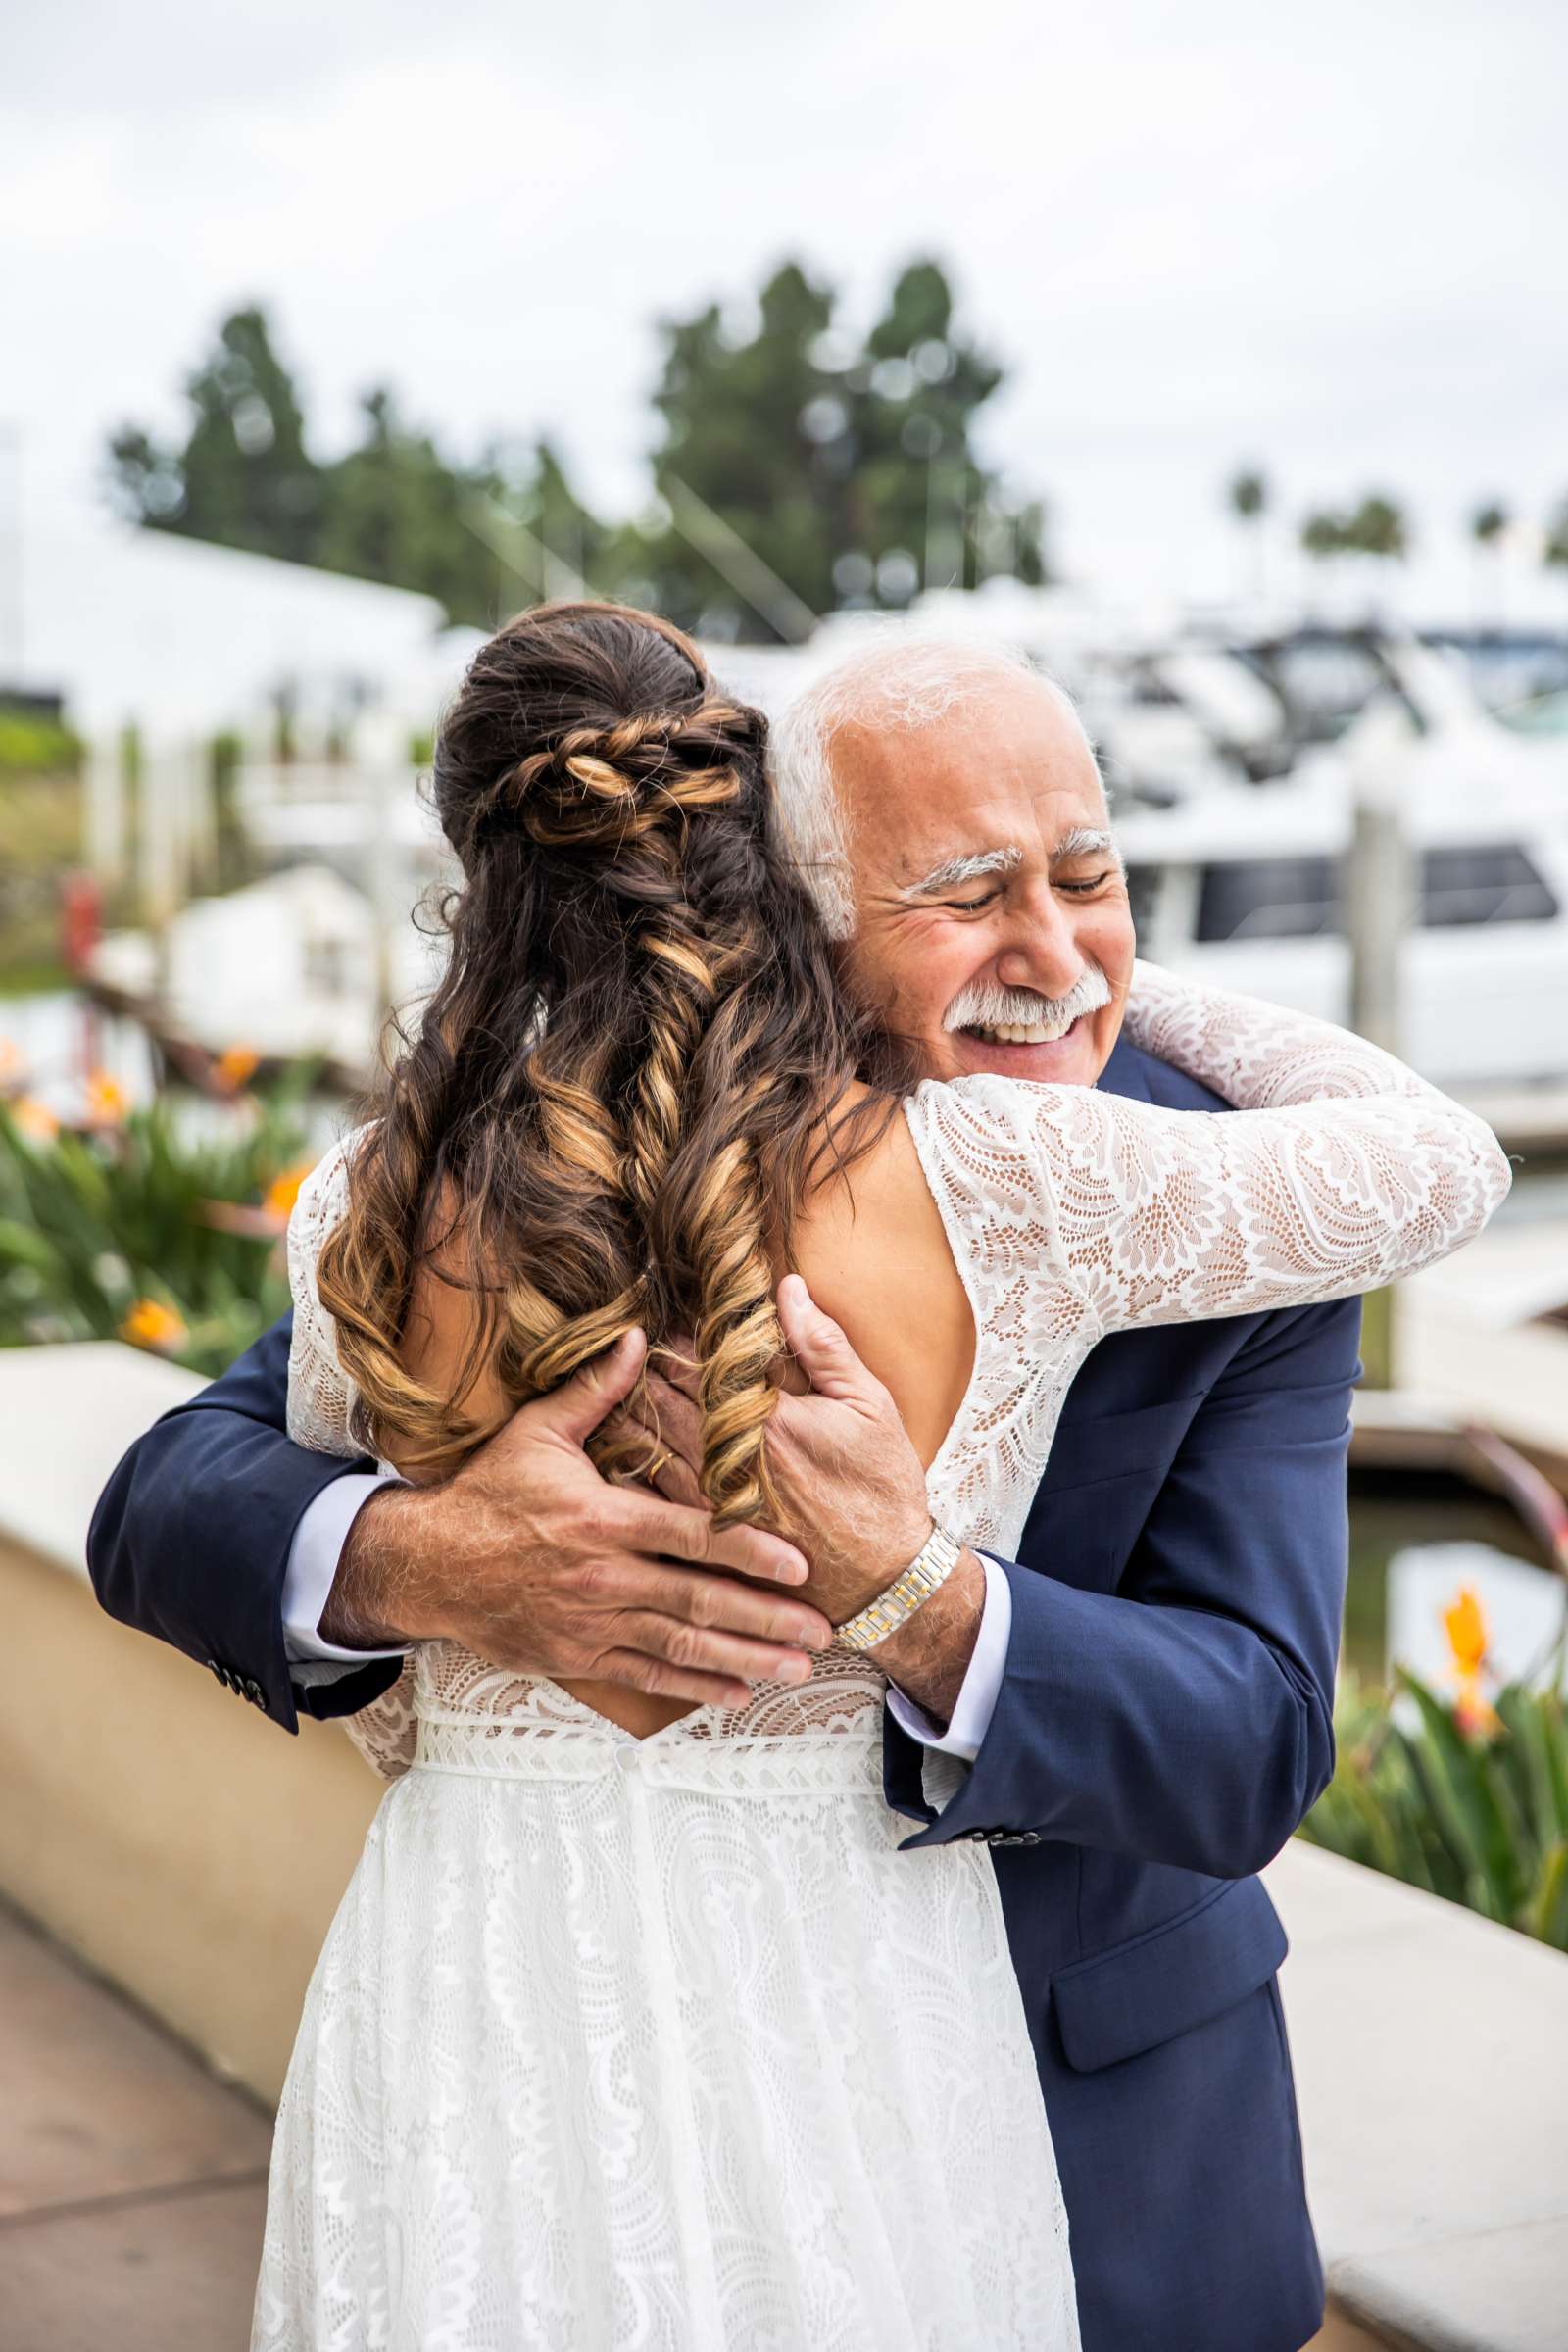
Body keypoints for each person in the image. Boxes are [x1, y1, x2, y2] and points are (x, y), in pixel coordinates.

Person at [89, 610, 1511, 2352]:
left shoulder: (397, 1188)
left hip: (1059, 2121)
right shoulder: (1008, 1181)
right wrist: (420, 1563)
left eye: (1093, 877)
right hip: (717, 2030)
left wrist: (924, 1598)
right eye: (968, 895)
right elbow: (170, 1496)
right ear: (797, 909)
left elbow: (1258, 1741)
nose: (1055, 957)